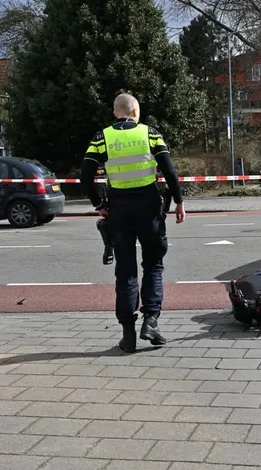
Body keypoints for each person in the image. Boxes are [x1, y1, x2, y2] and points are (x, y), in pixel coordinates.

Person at [81, 93, 186, 353]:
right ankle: (151, 321)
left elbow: (85, 175)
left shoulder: (101, 137)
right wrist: (179, 202)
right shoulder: (150, 134)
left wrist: (100, 206)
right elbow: (170, 171)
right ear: (135, 111)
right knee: (153, 265)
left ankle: (128, 335)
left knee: (125, 271)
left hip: (119, 210)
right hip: (149, 209)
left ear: (115, 112)